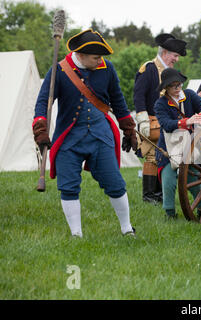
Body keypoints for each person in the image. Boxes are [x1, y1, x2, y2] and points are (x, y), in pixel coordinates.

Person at [32, 29, 137, 237]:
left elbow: (118, 100)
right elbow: (43, 102)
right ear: (80, 55)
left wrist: (128, 129)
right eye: (95, 57)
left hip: (101, 135)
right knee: (68, 186)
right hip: (69, 138)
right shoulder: (59, 71)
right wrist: (41, 129)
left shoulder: (107, 68)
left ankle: (127, 229)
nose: (100, 61)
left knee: (115, 183)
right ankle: (76, 234)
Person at [134, 33, 187, 204]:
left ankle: (160, 194)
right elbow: (139, 95)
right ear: (165, 53)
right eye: (175, 55)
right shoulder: (149, 68)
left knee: (164, 157)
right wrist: (142, 119)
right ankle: (150, 196)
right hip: (152, 120)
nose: (176, 59)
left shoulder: (171, 72)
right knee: (152, 157)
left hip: (167, 122)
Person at [154, 68, 201, 219]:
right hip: (168, 147)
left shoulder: (190, 95)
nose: (178, 88)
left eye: (179, 84)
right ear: (166, 88)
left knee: (193, 178)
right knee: (168, 180)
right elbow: (166, 124)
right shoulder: (160, 104)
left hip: (189, 145)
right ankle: (170, 213)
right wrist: (187, 121)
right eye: (174, 86)